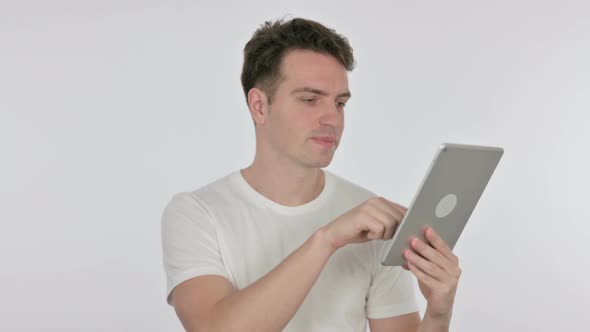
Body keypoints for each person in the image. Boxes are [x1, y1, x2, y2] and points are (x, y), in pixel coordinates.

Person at [161, 17, 461, 332]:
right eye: (310, 99)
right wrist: (326, 240)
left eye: (340, 103)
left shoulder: (373, 220)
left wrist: (438, 314)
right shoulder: (196, 213)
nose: (332, 117)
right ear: (259, 106)